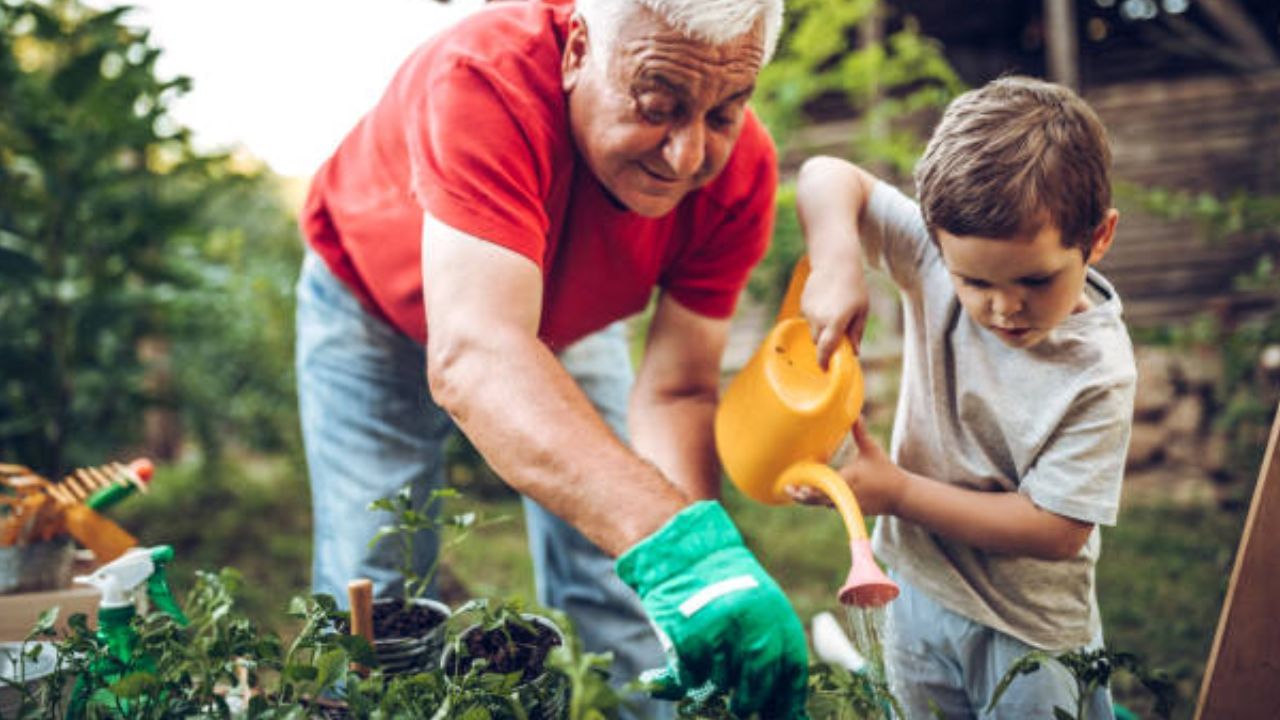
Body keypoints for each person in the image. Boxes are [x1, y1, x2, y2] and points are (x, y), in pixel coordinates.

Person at [294, 0, 808, 717]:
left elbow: (678, 391)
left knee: (626, 573)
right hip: (371, 307)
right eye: (659, 103)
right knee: (377, 590)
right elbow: (477, 354)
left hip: (558, 321)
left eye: (724, 114)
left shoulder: (740, 175)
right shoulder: (485, 81)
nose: (688, 155)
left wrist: (706, 569)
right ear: (576, 52)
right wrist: (676, 546)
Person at [792, 76, 1134, 718]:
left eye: (1036, 279)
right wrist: (838, 259)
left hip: (1027, 631)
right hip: (915, 590)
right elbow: (824, 174)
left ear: (1099, 237)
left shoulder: (1098, 370)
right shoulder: (929, 255)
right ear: (937, 240)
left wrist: (895, 493)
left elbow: (1056, 529)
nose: (1004, 307)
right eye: (973, 281)